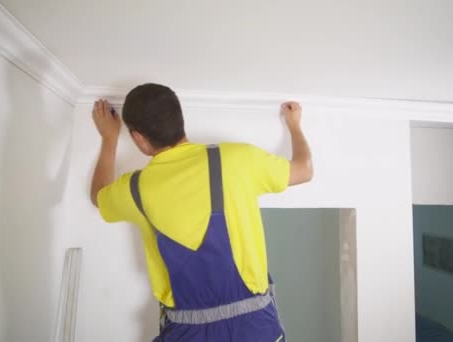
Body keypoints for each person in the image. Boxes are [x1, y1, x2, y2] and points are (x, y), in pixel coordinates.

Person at [90, 83, 313, 341]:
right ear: (180, 119)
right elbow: (304, 170)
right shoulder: (236, 159)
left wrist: (109, 139)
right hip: (255, 329)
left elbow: (98, 195)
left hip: (187, 333)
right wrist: (294, 125)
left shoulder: (135, 188)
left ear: (138, 137)